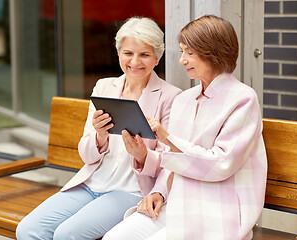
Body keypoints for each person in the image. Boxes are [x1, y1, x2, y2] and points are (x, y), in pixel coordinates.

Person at [103, 15, 268, 240]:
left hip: (215, 212)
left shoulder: (243, 99)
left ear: (214, 52)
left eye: (190, 53)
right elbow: (174, 161)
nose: (182, 60)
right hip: (176, 203)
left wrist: (167, 137)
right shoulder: (185, 99)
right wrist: (159, 191)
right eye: (182, 51)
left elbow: (221, 163)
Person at [16, 17, 182, 240]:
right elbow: (86, 154)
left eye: (144, 54)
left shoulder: (170, 97)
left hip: (129, 191)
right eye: (128, 53)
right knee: (27, 229)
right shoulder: (104, 87)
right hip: (91, 183)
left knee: (67, 234)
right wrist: (100, 136)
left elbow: (170, 161)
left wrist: (142, 155)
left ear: (157, 57)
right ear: (118, 53)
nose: (135, 61)